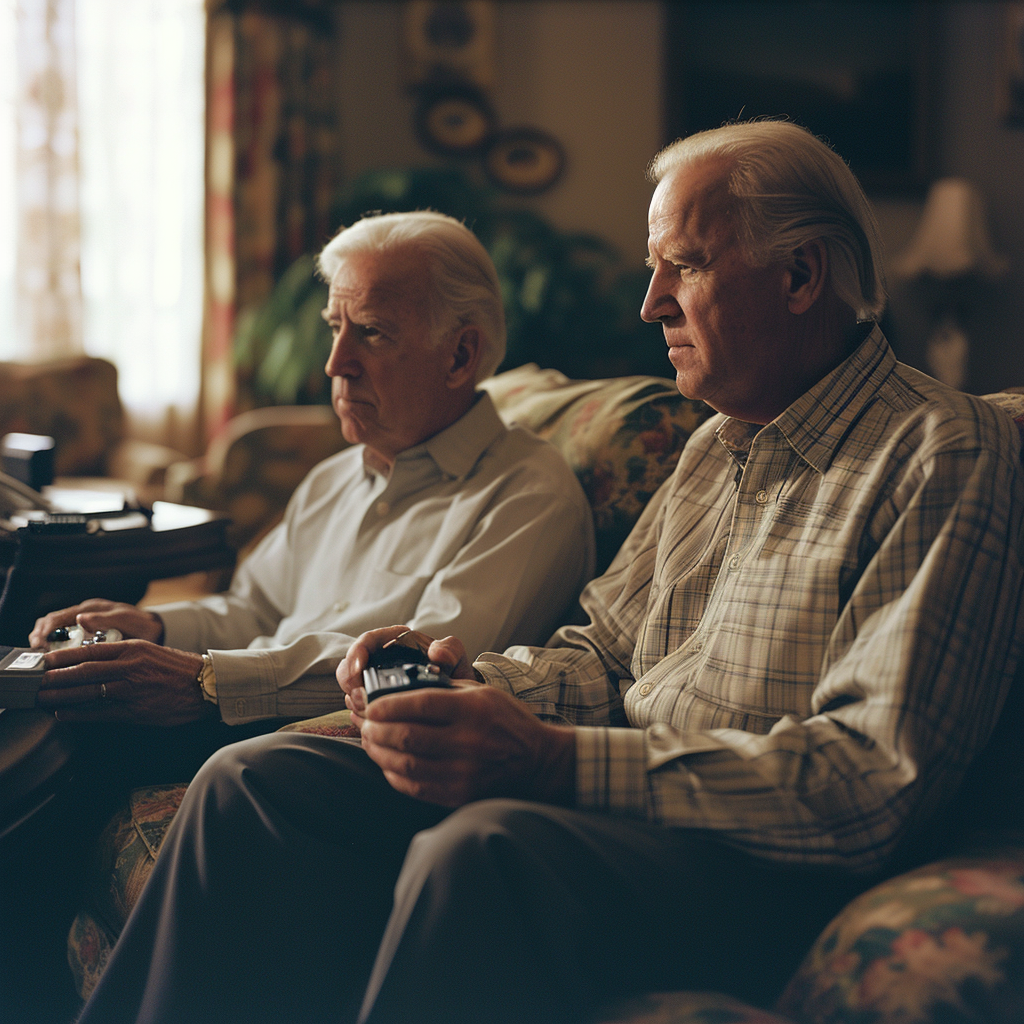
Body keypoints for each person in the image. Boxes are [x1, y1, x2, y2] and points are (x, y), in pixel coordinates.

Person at [76, 121, 1024, 1024]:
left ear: (801, 275)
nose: (649, 303)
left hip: (759, 861)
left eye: (682, 267)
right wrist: (461, 684)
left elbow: (872, 781)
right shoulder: (715, 451)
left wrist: (557, 760)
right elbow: (604, 654)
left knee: (480, 851)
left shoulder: (943, 450)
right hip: (625, 804)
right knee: (261, 775)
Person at [29, 210, 594, 780]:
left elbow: (416, 671)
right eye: (335, 327)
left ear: (459, 356)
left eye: (371, 331)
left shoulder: (527, 494)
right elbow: (255, 608)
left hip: (338, 755)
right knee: (44, 701)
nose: (335, 363)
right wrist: (157, 628)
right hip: (234, 715)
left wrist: (204, 680)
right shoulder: (334, 477)